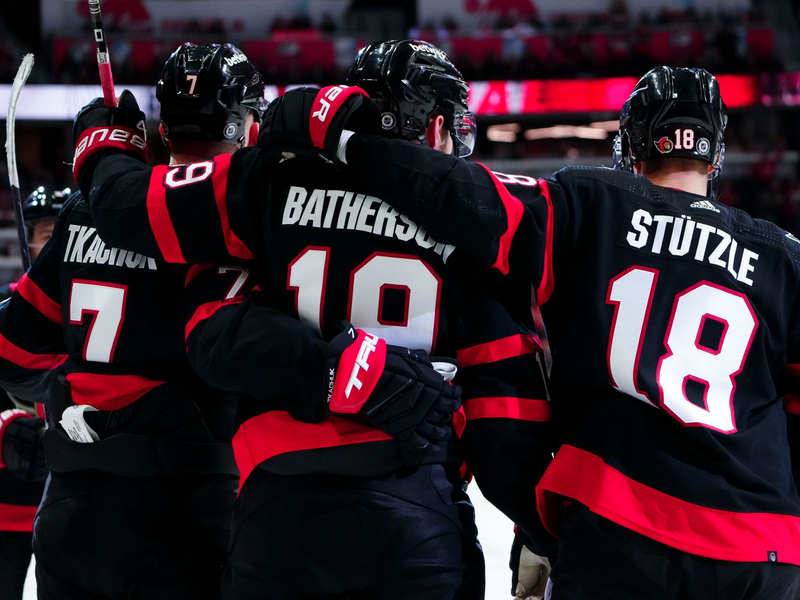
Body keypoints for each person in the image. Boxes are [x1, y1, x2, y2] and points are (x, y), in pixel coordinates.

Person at [265, 65, 800, 599]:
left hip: (623, 523)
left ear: (633, 138)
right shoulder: (786, 257)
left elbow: (460, 193)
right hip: (764, 548)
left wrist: (345, 141)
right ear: (716, 149)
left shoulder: (592, 202)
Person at [70, 39, 555, 599]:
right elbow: (504, 417)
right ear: (434, 128)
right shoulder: (474, 223)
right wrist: (540, 529)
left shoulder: (268, 177)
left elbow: (126, 209)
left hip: (276, 509)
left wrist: (106, 143)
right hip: (415, 510)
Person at [0, 42, 270, 599]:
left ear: (164, 126)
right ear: (248, 125)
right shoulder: (238, 217)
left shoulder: (83, 211)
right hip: (188, 509)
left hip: (73, 509)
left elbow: (13, 352)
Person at [0, 186, 62, 600]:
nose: (56, 242)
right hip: (8, 512)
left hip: (75, 503)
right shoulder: (8, 314)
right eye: (46, 233)